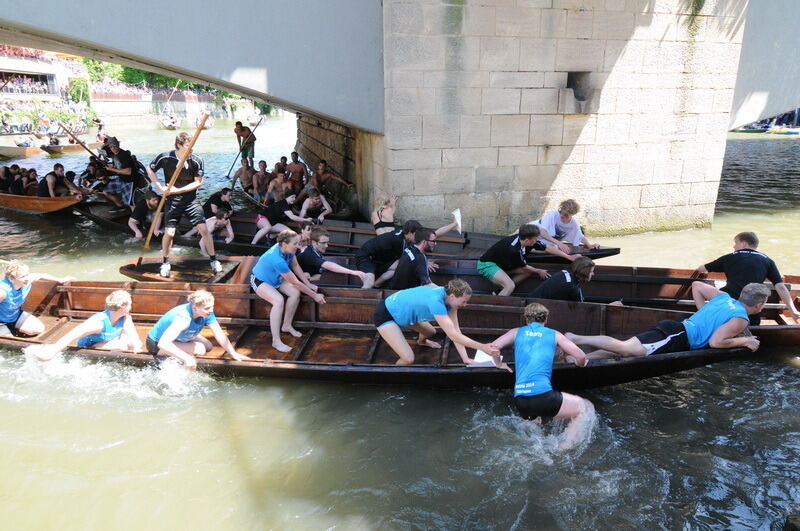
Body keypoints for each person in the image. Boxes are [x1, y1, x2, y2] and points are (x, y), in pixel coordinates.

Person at [566, 282, 771, 360]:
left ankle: (578, 358)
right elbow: (716, 342)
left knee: (623, 351)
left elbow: (697, 285)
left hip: (676, 331)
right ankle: (574, 339)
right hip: (678, 337)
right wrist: (745, 341)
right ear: (760, 305)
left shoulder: (724, 298)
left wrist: (703, 311)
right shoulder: (741, 319)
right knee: (626, 348)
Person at [488, 303, 593, 450]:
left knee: (535, 427)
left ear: (526, 318)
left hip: (521, 400)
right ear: (546, 320)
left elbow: (492, 348)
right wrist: (580, 364)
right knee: (585, 407)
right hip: (543, 396)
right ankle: (564, 447)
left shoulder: (516, 332)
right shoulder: (554, 334)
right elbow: (581, 356)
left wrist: (499, 364)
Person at [147, 132, 222, 277]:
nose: (192, 148)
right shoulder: (165, 157)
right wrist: (160, 187)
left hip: (191, 200)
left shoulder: (197, 160)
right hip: (173, 202)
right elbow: (150, 169)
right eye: (188, 145)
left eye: (193, 145)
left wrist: (178, 190)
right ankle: (165, 262)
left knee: (204, 230)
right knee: (169, 233)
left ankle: (213, 260)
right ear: (179, 145)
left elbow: (198, 182)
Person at [373, 279, 499, 365]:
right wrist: (482, 347)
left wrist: (465, 358)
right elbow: (453, 335)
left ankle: (421, 342)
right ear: (452, 296)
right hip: (387, 314)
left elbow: (456, 331)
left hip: (405, 314)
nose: (465, 305)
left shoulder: (450, 301)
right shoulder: (436, 302)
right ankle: (395, 374)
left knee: (431, 332)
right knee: (408, 359)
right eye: (464, 301)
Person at [695, 231, 800, 324]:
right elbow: (780, 287)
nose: (734, 247)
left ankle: (705, 316)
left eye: (735, 243)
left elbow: (701, 268)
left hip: (728, 306)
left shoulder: (728, 257)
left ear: (743, 243)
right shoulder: (768, 261)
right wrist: (792, 310)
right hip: (751, 309)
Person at [250, 230, 326, 353]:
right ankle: (276, 341)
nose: (299, 246)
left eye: (298, 243)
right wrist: (314, 295)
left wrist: (308, 284)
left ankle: (286, 325)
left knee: (295, 293)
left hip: (276, 279)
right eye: (295, 243)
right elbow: (295, 282)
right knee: (278, 301)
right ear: (284, 244)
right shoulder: (277, 259)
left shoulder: (289, 251)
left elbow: (295, 266)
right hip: (260, 280)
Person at [147, 290, 251, 370]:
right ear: (195, 307)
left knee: (208, 346)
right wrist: (187, 358)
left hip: (177, 336)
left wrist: (233, 353)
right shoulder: (183, 319)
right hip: (156, 343)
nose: (210, 311)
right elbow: (163, 343)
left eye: (212, 307)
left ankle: (186, 339)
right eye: (207, 308)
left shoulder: (208, 313)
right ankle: (171, 351)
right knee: (200, 349)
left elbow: (219, 334)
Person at [35, 290, 142, 361]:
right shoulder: (98, 322)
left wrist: (136, 347)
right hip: (88, 346)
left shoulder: (126, 317)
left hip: (108, 341)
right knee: (121, 345)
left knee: (129, 343)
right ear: (122, 307)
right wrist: (51, 351)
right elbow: (73, 334)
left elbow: (134, 338)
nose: (131, 307)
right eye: (130, 304)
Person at [0, 262, 71, 337]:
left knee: (37, 329)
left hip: (15, 316)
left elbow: (40, 275)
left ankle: (12, 327)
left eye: (27, 274)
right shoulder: (3, 291)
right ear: (11, 279)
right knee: (9, 339)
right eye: (23, 277)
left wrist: (60, 280)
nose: (27, 278)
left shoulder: (27, 281)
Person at [478, 224, 550, 296]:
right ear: (527, 240)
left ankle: (500, 291)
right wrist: (539, 271)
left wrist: (559, 248)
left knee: (527, 272)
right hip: (487, 265)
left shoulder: (520, 239)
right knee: (510, 286)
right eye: (535, 239)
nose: (536, 240)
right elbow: (524, 266)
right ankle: (496, 305)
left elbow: (546, 248)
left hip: (501, 264)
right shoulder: (514, 250)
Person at [355, 220, 422, 290]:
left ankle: (376, 285)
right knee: (368, 284)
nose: (419, 237)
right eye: (417, 234)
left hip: (378, 260)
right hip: (366, 257)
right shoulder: (397, 239)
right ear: (409, 232)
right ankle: (360, 297)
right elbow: (407, 257)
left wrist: (424, 261)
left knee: (399, 266)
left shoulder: (404, 238)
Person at [526, 199, 599, 257]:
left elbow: (579, 236)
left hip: (543, 242)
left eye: (566, 215)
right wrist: (559, 243)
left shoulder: (574, 224)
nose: (562, 216)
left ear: (572, 215)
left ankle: (531, 250)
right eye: (562, 212)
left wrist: (589, 245)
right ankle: (528, 249)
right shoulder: (553, 214)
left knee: (554, 247)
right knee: (556, 246)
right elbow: (542, 232)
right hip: (531, 231)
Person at [297, 228, 368, 284]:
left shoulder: (317, 253)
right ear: (314, 242)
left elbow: (318, 276)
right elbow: (329, 266)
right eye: (323, 243)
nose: (326, 245)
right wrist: (353, 272)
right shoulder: (309, 254)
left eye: (327, 242)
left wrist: (310, 278)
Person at [530, 256, 595, 302]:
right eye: (591, 271)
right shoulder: (571, 286)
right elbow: (581, 305)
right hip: (536, 308)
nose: (593, 274)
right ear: (584, 272)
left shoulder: (565, 272)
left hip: (533, 301)